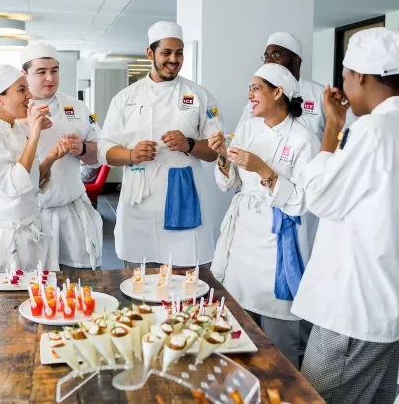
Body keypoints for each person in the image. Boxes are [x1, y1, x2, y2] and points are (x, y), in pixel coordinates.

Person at [291, 27, 399, 403]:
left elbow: (320, 196)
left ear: (363, 77)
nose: (344, 85)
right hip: (388, 305)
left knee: (318, 397)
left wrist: (333, 127)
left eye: (345, 75)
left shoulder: (373, 131)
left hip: (355, 308)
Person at [209, 63, 320, 368]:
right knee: (237, 325)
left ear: (278, 91)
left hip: (276, 242)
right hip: (243, 237)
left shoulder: (303, 140)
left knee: (278, 340)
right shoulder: (247, 128)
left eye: (256, 88)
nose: (250, 95)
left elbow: (302, 202)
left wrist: (263, 170)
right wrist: (221, 155)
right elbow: (228, 183)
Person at [98, 21, 219, 269]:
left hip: (183, 197)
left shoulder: (199, 95)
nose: (174, 59)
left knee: (186, 283)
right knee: (138, 284)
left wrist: (189, 144)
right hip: (139, 204)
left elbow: (216, 151)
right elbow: (104, 150)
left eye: (179, 53)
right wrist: (131, 154)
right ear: (150, 53)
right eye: (166, 53)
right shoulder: (126, 98)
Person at [0, 65, 68, 301]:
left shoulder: (18, 127)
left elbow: (31, 181)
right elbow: (12, 186)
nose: (30, 96)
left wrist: (51, 157)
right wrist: (34, 135)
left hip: (33, 230)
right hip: (4, 237)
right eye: (22, 90)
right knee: (3, 307)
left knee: (39, 302)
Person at [20, 43, 103, 270]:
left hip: (71, 211)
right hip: (30, 217)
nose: (50, 78)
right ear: (24, 74)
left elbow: (99, 154)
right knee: (33, 289)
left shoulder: (76, 107)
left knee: (77, 285)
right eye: (41, 71)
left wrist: (83, 149)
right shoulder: (15, 111)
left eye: (54, 70)